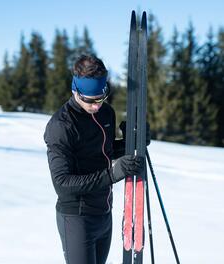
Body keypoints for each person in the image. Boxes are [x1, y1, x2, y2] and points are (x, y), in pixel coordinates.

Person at [44, 54, 149, 264]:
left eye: (101, 98)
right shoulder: (61, 126)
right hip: (77, 218)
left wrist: (134, 142)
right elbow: (63, 183)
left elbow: (104, 151)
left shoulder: (106, 113)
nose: (96, 106)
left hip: (104, 214)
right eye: (90, 101)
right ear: (75, 90)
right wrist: (114, 174)